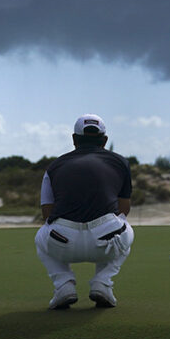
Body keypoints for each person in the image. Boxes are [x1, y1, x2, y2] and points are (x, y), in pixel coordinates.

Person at [34, 114, 135, 310]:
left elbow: (47, 214)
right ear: (105, 140)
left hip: (62, 240)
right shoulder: (121, 163)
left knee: (40, 237)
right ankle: (103, 283)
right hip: (106, 240)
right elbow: (124, 209)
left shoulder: (54, 166)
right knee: (125, 229)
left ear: (74, 139)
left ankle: (63, 285)